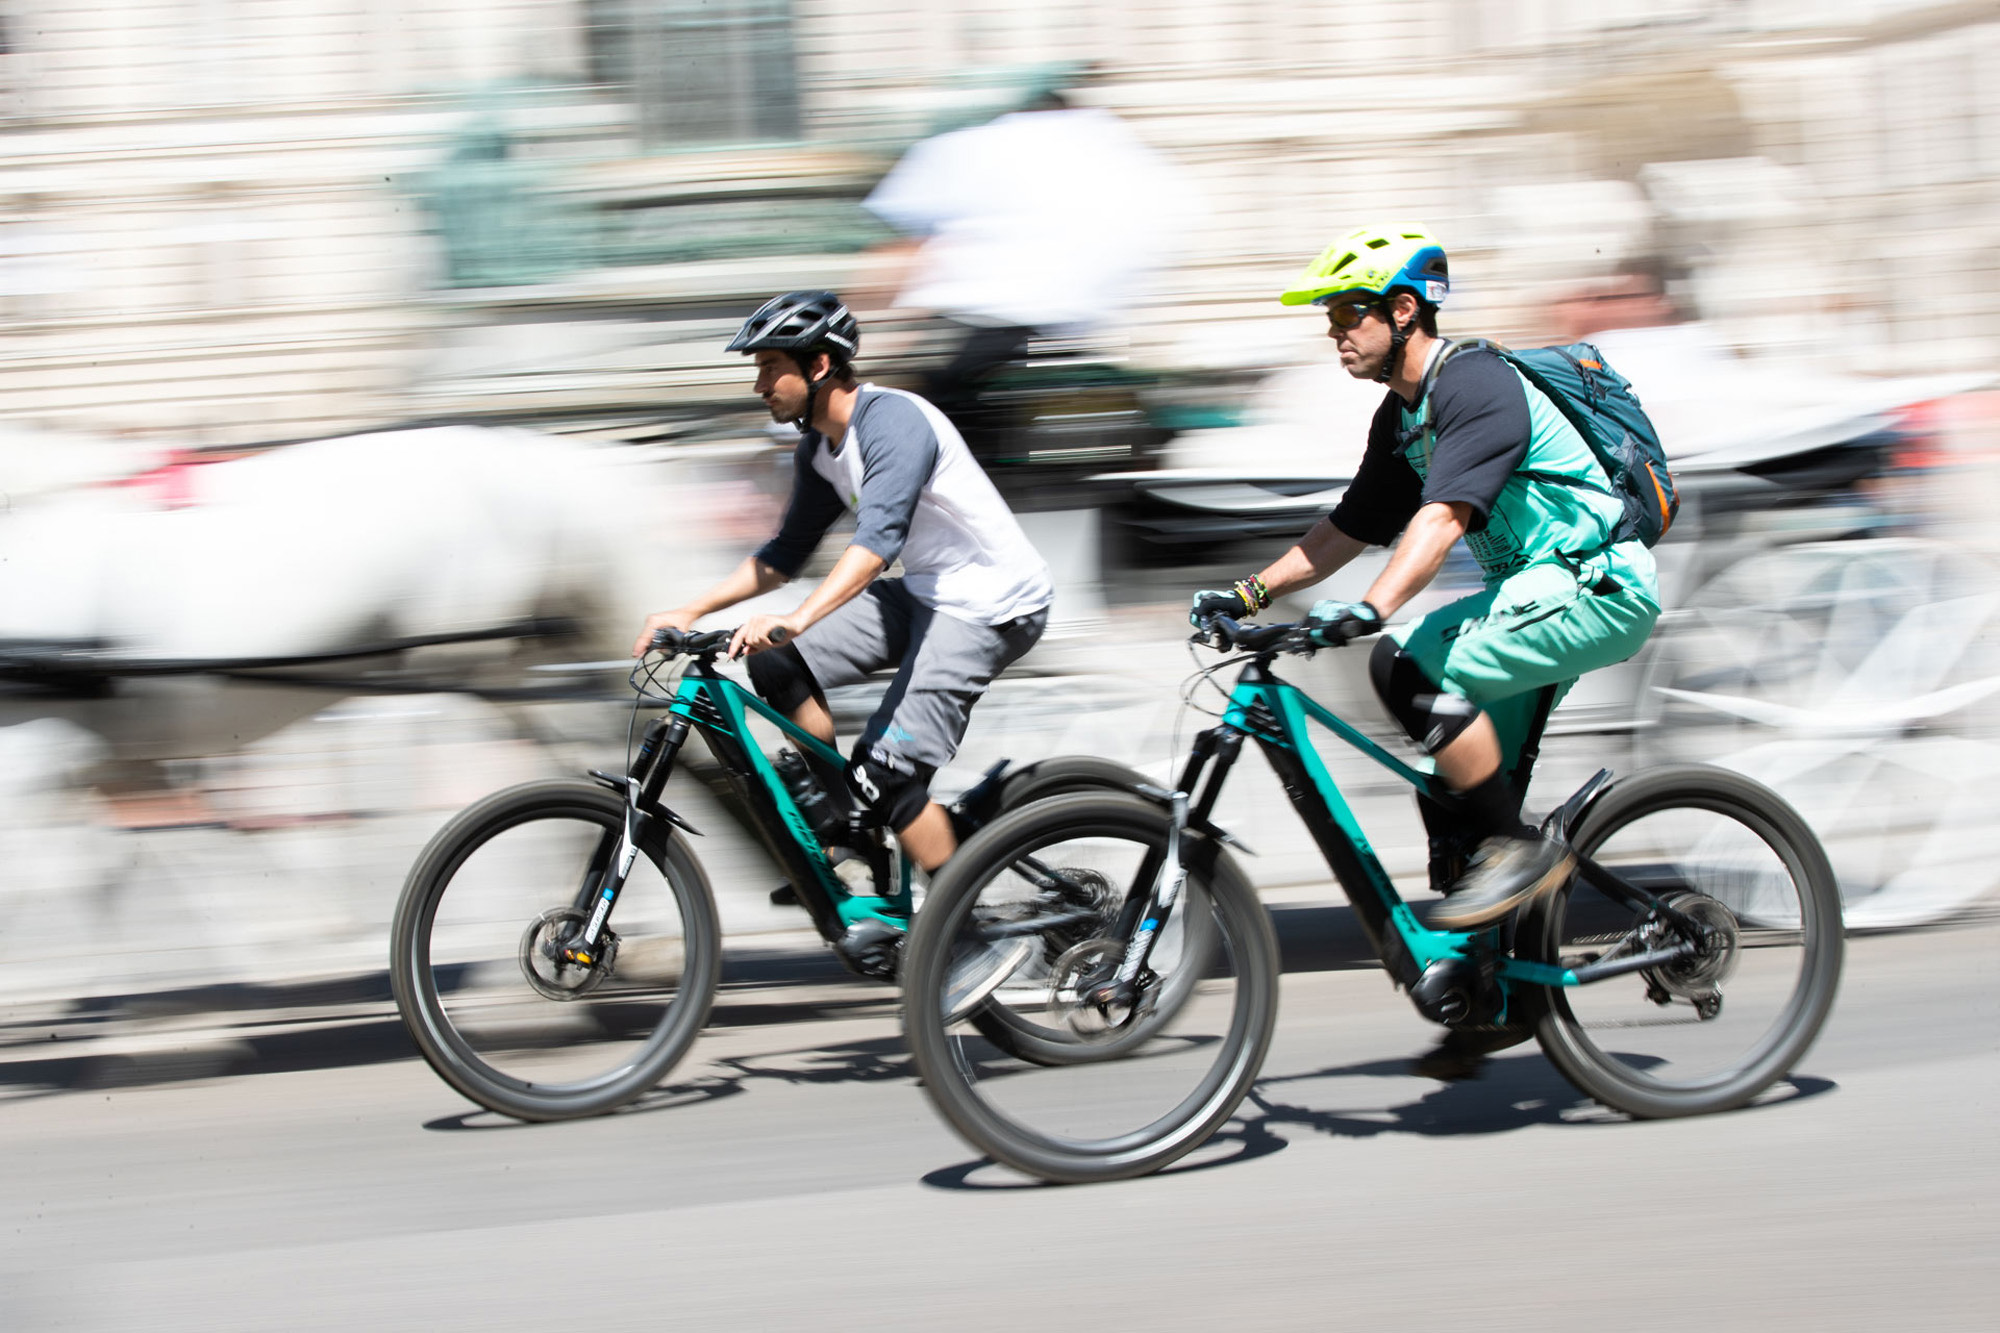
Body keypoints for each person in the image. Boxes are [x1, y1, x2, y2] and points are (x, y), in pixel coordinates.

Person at [1188, 225, 1661, 1072]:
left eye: (1349, 314)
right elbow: (1349, 526)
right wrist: (1250, 593)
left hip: (1594, 585)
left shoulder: (1475, 383)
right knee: (1455, 811)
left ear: (1404, 312)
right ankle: (1493, 998)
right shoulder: (1404, 416)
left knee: (1405, 663)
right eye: (1332, 317)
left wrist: (1370, 609)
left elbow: (1441, 520)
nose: (1336, 331)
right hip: (1532, 599)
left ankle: (1522, 854)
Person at [633, 290, 1053, 881]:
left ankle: (965, 933)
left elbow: (877, 543)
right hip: (929, 593)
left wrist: (799, 617)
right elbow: (783, 555)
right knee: (779, 664)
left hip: (990, 604)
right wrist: (689, 609)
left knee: (888, 772)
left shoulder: (894, 422)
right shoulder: (821, 450)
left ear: (819, 365)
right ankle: (850, 823)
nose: (759, 385)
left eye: (770, 368)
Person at [860, 84, 1194, 433]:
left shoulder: (970, 144)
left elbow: (903, 258)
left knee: (907, 422)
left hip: (987, 334)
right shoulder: (1127, 153)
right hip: (1079, 341)